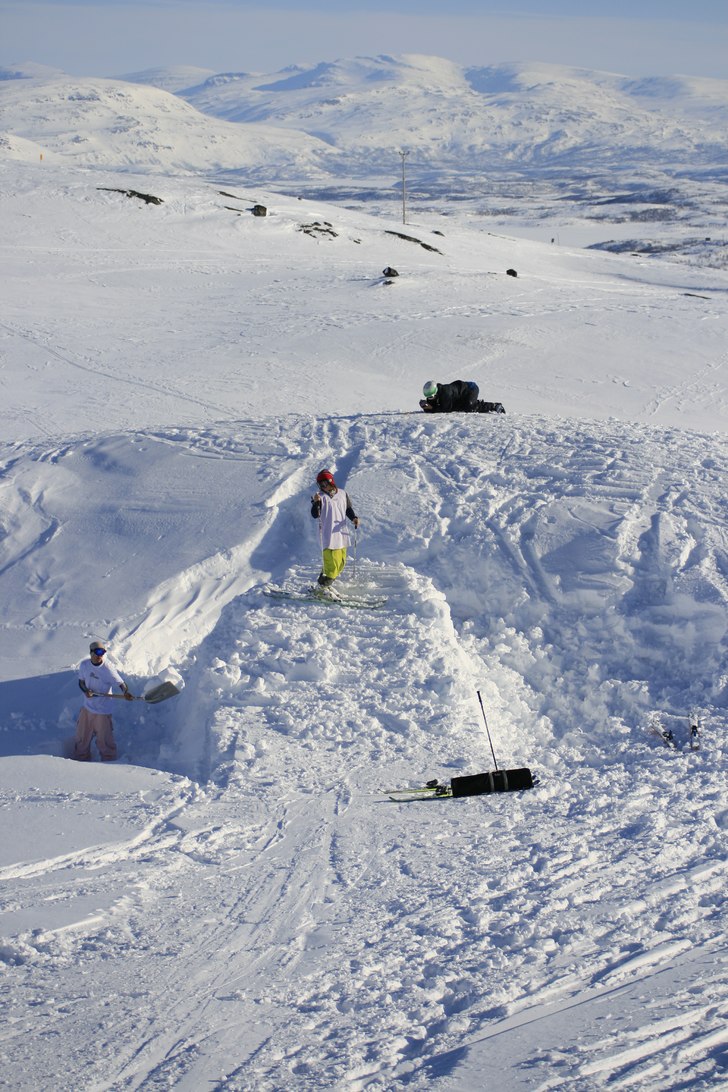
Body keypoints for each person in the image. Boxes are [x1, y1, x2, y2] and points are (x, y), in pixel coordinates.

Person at [74, 639, 134, 761]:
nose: (100, 656)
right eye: (97, 652)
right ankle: (80, 763)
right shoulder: (84, 665)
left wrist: (126, 692)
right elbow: (81, 682)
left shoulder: (107, 668)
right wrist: (86, 691)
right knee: (82, 739)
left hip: (102, 711)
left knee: (105, 741)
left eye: (102, 653)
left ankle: (108, 764)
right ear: (91, 652)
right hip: (87, 709)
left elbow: (121, 683)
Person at [310, 469, 359, 591]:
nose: (323, 486)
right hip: (328, 536)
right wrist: (316, 503)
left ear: (331, 481)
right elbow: (315, 514)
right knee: (332, 567)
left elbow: (347, 509)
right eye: (320, 484)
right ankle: (321, 589)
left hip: (341, 534)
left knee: (340, 564)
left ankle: (322, 584)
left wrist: (354, 518)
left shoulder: (342, 494)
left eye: (325, 483)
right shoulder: (320, 497)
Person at [420, 379, 505, 414]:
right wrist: (426, 406)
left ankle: (495, 406)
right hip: (460, 395)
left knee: (470, 407)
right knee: (459, 407)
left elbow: (444, 410)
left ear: (435, 392)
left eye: (431, 397)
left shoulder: (446, 393)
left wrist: (429, 408)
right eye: (428, 397)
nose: (430, 399)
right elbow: (433, 407)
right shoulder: (433, 394)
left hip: (471, 389)